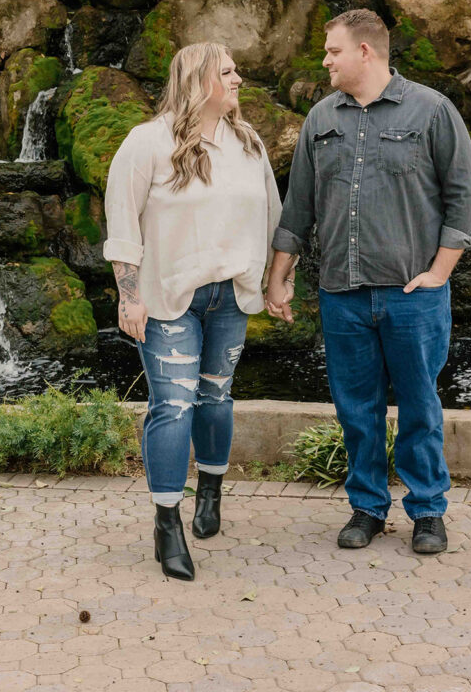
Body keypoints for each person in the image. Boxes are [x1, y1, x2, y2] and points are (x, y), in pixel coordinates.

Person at [266, 8, 471, 554]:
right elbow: (299, 208)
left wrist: (438, 275)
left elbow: (466, 197)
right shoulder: (321, 119)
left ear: (365, 51)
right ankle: (366, 508)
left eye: (333, 51)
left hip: (413, 295)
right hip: (341, 293)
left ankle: (428, 511)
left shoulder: (432, 110)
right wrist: (278, 276)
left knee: (419, 407)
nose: (325, 60)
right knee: (356, 411)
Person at [103, 42, 282, 581]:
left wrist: (278, 282)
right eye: (228, 72)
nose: (238, 79)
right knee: (172, 406)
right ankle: (167, 523)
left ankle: (210, 492)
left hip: (230, 296)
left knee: (215, 397)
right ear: (199, 80)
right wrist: (129, 295)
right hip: (166, 300)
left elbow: (272, 214)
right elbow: (122, 223)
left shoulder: (247, 143)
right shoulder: (146, 143)